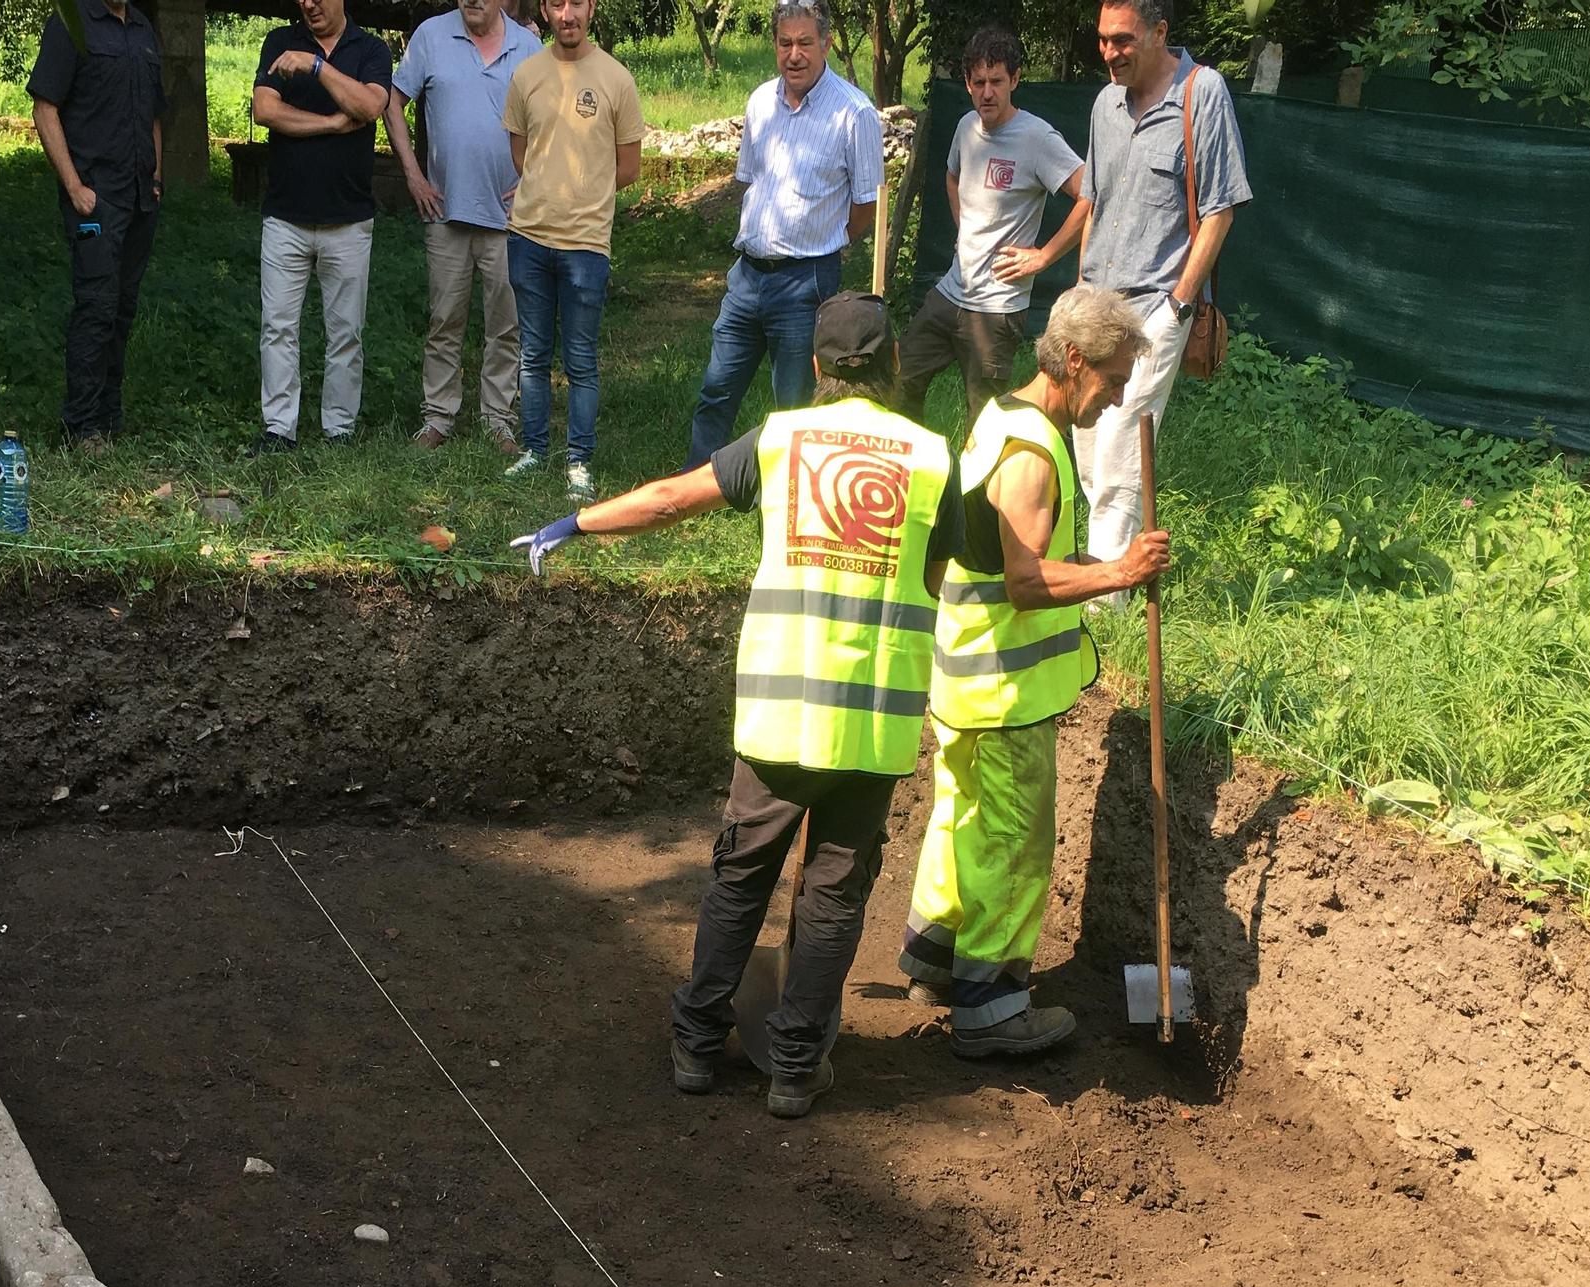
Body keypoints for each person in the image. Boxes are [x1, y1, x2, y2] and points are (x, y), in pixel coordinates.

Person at [511, 295, 963, 1118]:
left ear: (820, 367)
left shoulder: (784, 439)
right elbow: (945, 576)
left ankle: (695, 1045)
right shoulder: (934, 457)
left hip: (780, 713)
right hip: (873, 723)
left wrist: (575, 521)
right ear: (896, 363)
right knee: (833, 896)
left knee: (739, 878)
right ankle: (793, 1069)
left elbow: (668, 499)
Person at [901, 284, 1169, 1056]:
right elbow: (1024, 583)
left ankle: (936, 959)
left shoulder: (1001, 417)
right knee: (1013, 846)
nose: (1117, 398)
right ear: (1075, 360)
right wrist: (1118, 574)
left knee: (960, 824)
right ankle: (992, 1010)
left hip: (966, 677)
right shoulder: (1032, 454)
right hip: (1004, 695)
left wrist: (1100, 564)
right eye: (1114, 379)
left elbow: (1016, 558)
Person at [1075, 0, 1249, 583]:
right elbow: (1094, 204)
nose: (1109, 52)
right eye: (1103, 39)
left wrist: (1178, 305)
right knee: (1087, 444)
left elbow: (1221, 208)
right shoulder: (1104, 104)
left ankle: (1103, 601)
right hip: (1093, 304)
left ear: (1159, 31)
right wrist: (1078, 289)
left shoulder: (1204, 94)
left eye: (1122, 40)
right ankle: (1109, 565)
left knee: (1121, 456)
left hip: (1153, 307)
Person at [680, 0, 882, 470]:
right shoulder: (758, 102)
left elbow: (866, 205)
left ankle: (788, 494)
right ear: (775, 45)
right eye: (785, 43)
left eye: (805, 43)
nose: (795, 54)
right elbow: (751, 180)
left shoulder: (854, 113)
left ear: (826, 43)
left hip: (805, 282)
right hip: (747, 277)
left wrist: (826, 243)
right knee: (716, 389)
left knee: (793, 404)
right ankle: (693, 480)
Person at [897, 24, 1083, 428]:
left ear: (1014, 80)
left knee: (984, 422)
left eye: (997, 81)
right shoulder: (966, 128)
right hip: (951, 291)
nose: (987, 93)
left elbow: (1090, 194)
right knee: (900, 377)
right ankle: (912, 471)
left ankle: (978, 492)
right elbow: (951, 176)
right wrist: (964, 228)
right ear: (967, 83)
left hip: (997, 310)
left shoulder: (1037, 138)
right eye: (978, 82)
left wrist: (1044, 257)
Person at [500, 0, 644, 503]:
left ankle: (578, 460)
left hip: (586, 246)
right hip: (528, 238)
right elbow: (522, 154)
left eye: (577, 3)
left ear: (592, 9)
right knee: (533, 355)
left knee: (581, 359)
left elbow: (628, 167)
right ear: (544, 10)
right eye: (557, 3)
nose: (568, 14)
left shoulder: (616, 79)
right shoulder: (526, 75)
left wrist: (585, 194)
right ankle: (534, 450)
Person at [383, 0, 537, 455]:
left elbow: (553, 122)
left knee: (506, 326)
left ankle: (498, 421)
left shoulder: (528, 47)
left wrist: (534, 179)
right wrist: (412, 174)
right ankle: (437, 418)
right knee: (443, 320)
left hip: (510, 219)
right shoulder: (431, 36)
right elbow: (391, 101)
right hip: (445, 212)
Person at [248, 0, 393, 450]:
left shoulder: (371, 49)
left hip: (349, 219)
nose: (308, 4)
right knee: (278, 328)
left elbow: (370, 105)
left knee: (346, 333)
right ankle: (279, 429)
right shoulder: (279, 42)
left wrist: (315, 68)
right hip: (285, 217)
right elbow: (265, 111)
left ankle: (339, 430)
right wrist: (331, 123)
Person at [27, 0, 167, 452]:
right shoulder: (73, 23)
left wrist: (157, 176)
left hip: (140, 197)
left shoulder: (143, 29)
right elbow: (45, 108)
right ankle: (81, 426)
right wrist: (73, 186)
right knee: (97, 307)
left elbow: (153, 115)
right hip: (96, 199)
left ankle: (109, 417)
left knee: (123, 308)